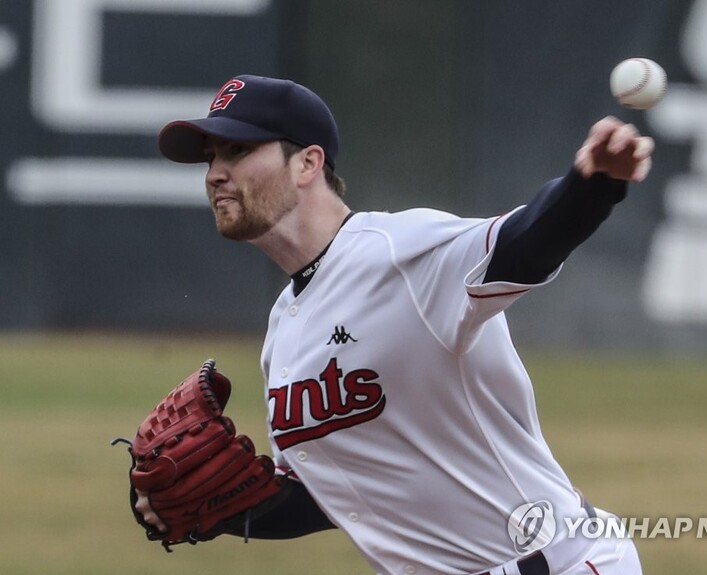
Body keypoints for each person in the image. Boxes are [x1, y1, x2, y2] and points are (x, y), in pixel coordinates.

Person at [141, 74, 653, 575]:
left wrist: (592, 186)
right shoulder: (283, 331)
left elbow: (524, 245)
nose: (215, 173)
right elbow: (334, 493)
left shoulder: (399, 253)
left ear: (307, 163)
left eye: (237, 151)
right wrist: (211, 506)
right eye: (211, 157)